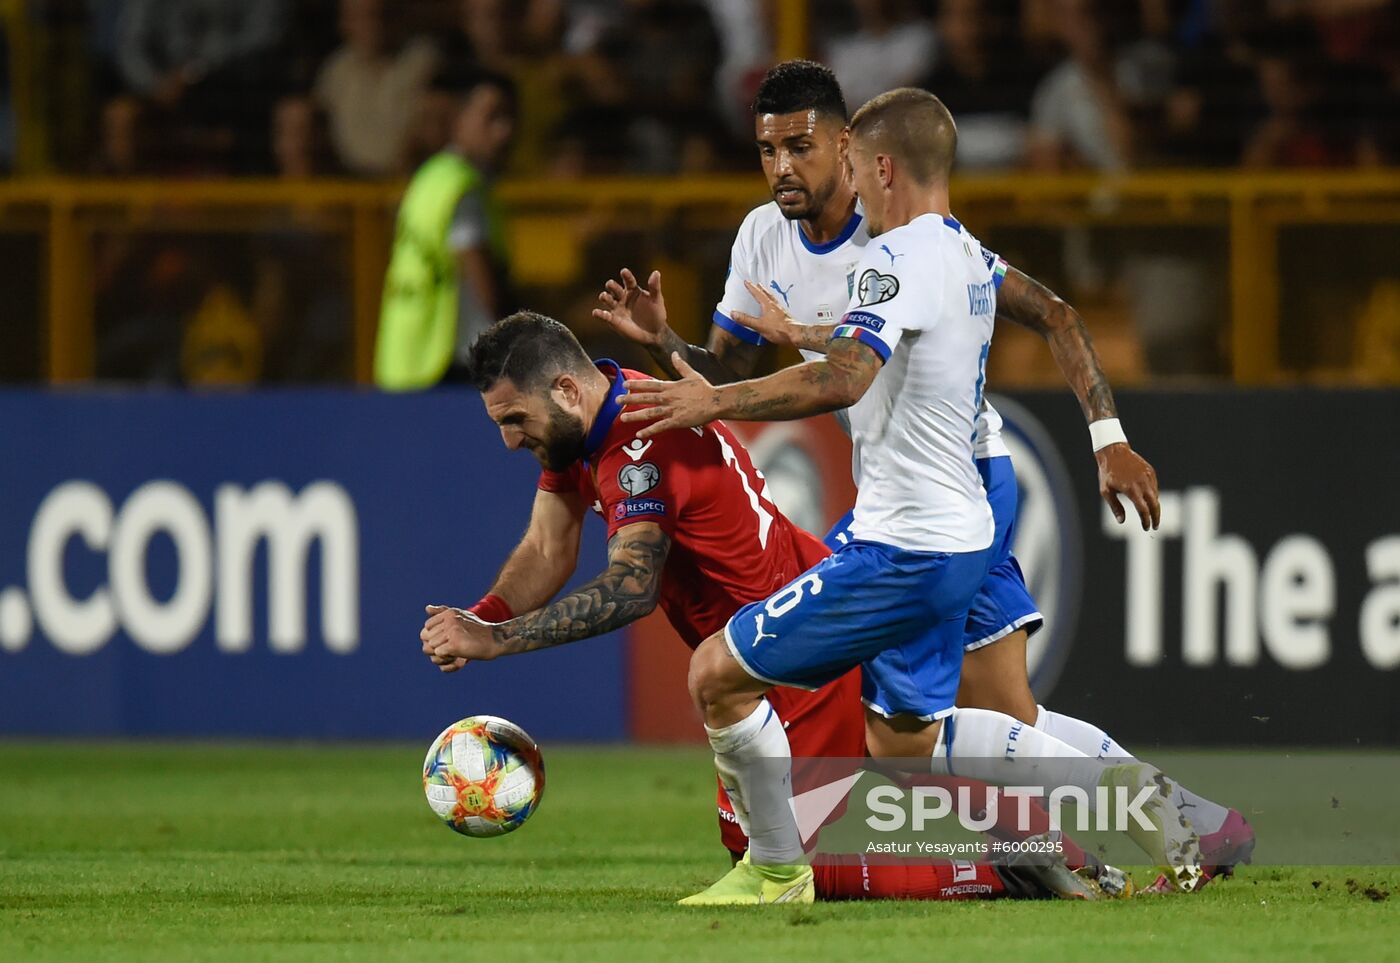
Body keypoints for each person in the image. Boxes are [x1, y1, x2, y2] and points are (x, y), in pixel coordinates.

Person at [592, 60, 1251, 894]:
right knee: (979, 722)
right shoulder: (764, 236)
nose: (783, 167)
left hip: (959, 478)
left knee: (911, 713)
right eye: (766, 150)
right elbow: (720, 377)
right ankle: (1179, 827)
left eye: (801, 146)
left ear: (853, 150)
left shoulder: (902, 236)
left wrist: (1107, 435)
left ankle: (1040, 854)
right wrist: (664, 343)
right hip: (904, 493)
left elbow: (1039, 314)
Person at [420, 311, 1117, 904]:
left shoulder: (639, 446)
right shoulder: (594, 418)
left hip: (791, 660)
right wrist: (481, 616)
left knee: (829, 868)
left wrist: (499, 640)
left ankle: (1019, 856)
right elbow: (548, 543)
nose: (509, 439)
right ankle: (1074, 825)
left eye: (514, 419)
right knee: (785, 842)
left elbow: (631, 587)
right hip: (786, 623)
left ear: (566, 388)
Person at [374, 69, 517, 391]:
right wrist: (517, 342)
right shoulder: (461, 187)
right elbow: (478, 271)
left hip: (407, 352)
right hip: (449, 362)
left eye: (510, 118)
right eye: (492, 117)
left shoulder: (430, 178)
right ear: (460, 118)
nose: (504, 131)